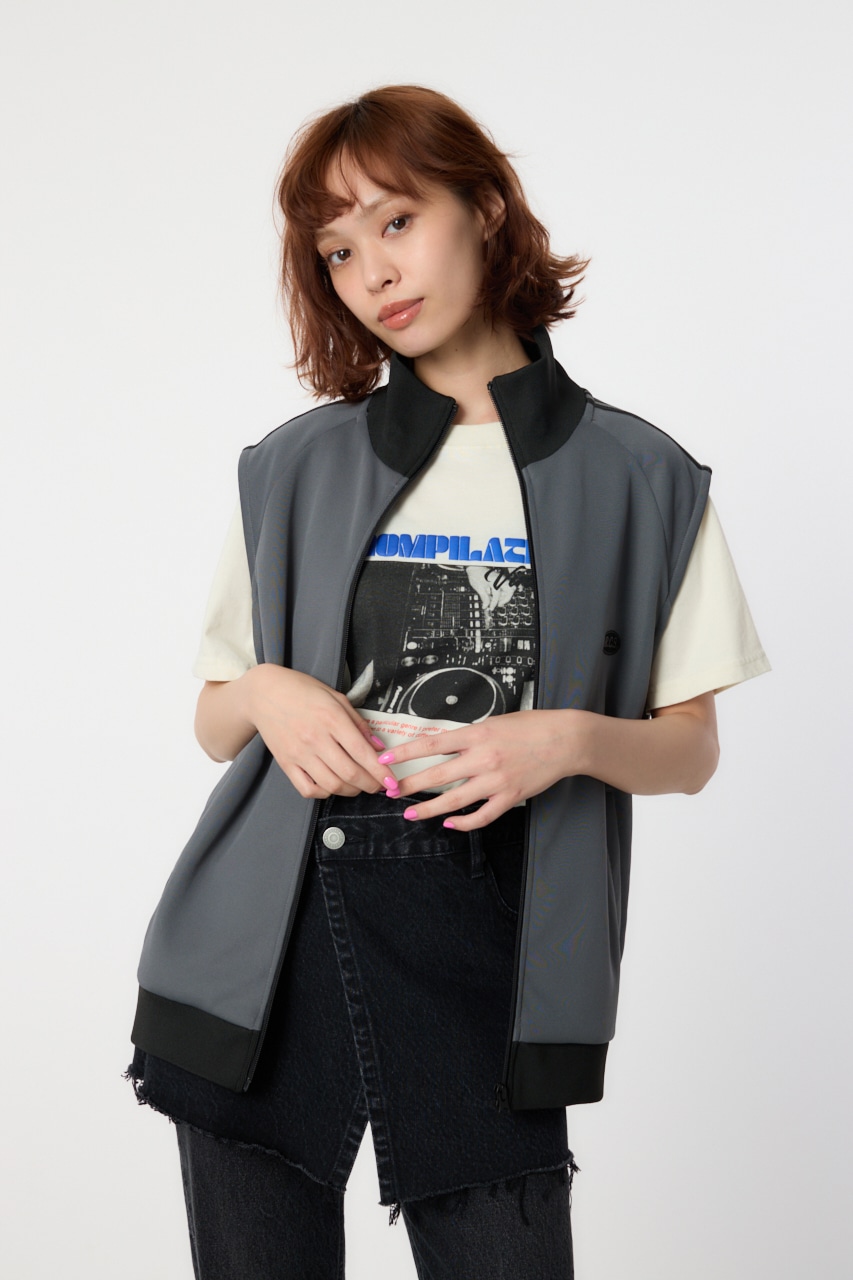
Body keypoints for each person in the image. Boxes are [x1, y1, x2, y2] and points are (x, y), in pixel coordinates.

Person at [127, 85, 769, 1279]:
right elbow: (216, 723)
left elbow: (691, 747)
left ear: (484, 209)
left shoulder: (640, 476)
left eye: (395, 220)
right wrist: (266, 690)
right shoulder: (293, 467)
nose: (371, 270)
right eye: (336, 249)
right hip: (264, 946)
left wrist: (563, 739)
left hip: (492, 939)